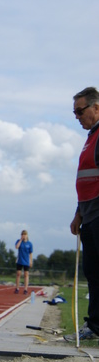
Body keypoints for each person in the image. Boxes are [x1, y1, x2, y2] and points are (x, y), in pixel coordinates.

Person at [65, 86, 99, 342]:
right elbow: (86, 180)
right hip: (88, 216)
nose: (77, 116)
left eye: (80, 111)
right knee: (93, 272)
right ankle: (95, 325)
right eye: (74, 112)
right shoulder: (91, 137)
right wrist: (79, 214)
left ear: (96, 108)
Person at [14, 230, 33, 294]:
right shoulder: (18, 241)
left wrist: (31, 261)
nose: (23, 236)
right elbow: (16, 247)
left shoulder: (29, 244)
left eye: (24, 235)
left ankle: (25, 289)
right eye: (22, 234)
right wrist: (20, 240)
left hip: (26, 261)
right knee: (18, 274)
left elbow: (30, 253)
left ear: (27, 235)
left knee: (26, 274)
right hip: (19, 260)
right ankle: (17, 288)